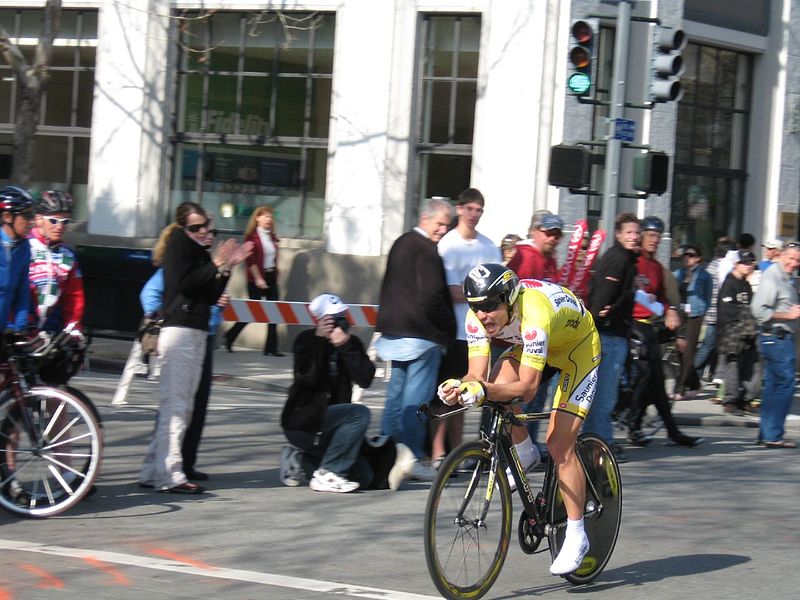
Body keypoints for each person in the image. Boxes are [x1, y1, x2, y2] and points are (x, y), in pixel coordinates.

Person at [439, 263, 600, 576]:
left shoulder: (534, 314)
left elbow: (527, 389)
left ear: (509, 300)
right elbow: (477, 374)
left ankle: (577, 533)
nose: (483, 315)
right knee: (497, 381)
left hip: (577, 350)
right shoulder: (477, 318)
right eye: (476, 307)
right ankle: (524, 452)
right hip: (535, 346)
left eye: (489, 307)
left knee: (558, 442)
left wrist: (484, 390)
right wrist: (463, 386)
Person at [139, 202, 252, 494]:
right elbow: (184, 285)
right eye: (196, 227)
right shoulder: (179, 246)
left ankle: (153, 469)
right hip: (180, 331)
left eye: (206, 227)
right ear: (182, 227)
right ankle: (169, 474)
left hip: (195, 330)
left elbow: (210, 293)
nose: (203, 232)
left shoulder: (199, 251)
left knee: (181, 406)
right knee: (176, 407)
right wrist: (216, 264)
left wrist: (228, 267)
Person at [280, 293, 410, 492]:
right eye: (334, 318)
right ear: (320, 320)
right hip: (304, 422)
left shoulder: (351, 343)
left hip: (335, 427)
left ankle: (300, 458)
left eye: (342, 316)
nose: (340, 322)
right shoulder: (306, 340)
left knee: (364, 478)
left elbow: (366, 379)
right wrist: (319, 341)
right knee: (360, 414)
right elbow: (306, 378)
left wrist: (346, 346)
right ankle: (328, 472)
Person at [375, 198, 456, 481]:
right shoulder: (427, 252)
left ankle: (386, 454)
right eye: (440, 224)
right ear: (426, 219)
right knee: (417, 403)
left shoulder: (401, 243)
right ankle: (410, 455)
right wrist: (447, 326)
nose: (443, 230)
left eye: (447, 225)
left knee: (395, 399)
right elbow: (432, 296)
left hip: (395, 332)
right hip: (423, 335)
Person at [433, 188, 501, 465]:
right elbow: (450, 290)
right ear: (459, 209)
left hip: (481, 332)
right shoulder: (448, 244)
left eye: (479, 210)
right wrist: (480, 295)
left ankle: (457, 451)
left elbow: (499, 288)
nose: (474, 215)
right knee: (445, 393)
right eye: (470, 209)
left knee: (467, 393)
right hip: (455, 330)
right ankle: (438, 452)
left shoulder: (489, 246)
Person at [628, 216, 703, 448]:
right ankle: (636, 425)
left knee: (657, 383)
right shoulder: (632, 263)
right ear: (641, 235)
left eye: (658, 237)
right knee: (644, 380)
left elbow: (662, 296)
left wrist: (669, 310)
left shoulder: (657, 268)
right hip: (631, 327)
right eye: (651, 236)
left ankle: (667, 430)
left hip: (649, 328)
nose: (655, 241)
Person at [585, 212, 641, 462]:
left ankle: (597, 443)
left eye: (636, 233)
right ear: (618, 234)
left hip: (613, 334)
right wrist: (601, 313)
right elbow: (602, 298)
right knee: (604, 396)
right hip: (608, 335)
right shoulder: (618, 260)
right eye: (629, 232)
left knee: (604, 395)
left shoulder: (626, 260)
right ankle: (598, 446)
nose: (634, 236)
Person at [750, 241, 800, 448]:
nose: (794, 263)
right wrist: (788, 315)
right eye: (791, 258)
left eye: (798, 260)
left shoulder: (787, 277)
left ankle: (767, 433)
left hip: (781, 338)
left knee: (773, 385)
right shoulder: (773, 276)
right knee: (786, 383)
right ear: (780, 256)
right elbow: (758, 310)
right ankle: (774, 434)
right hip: (776, 337)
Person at [224, 205, 283, 356]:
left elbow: (272, 257)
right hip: (256, 278)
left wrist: (276, 268)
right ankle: (230, 336)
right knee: (252, 312)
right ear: (257, 218)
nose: (269, 219)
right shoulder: (252, 238)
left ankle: (271, 348)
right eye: (265, 216)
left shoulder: (272, 237)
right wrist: (258, 278)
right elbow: (251, 261)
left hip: (270, 277)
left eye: (270, 216)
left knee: (274, 312)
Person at [27, 190, 84, 334]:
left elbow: (74, 297)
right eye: (53, 220)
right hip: (23, 329)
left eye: (65, 221)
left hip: (53, 332)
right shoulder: (24, 248)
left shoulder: (68, 255)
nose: (59, 226)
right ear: (39, 219)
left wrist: (73, 329)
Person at [717, 250, 759, 416]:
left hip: (747, 331)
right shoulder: (729, 283)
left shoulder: (746, 284)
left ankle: (746, 399)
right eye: (746, 263)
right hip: (731, 333)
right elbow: (727, 310)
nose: (749, 266)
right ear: (737, 264)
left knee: (751, 365)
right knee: (732, 367)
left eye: (751, 263)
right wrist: (746, 314)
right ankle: (731, 400)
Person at [672, 243, 712, 401]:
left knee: (688, 351)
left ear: (698, 258)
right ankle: (694, 383)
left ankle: (680, 387)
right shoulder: (678, 273)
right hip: (681, 314)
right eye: (685, 255)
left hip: (695, 315)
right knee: (679, 351)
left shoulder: (704, 275)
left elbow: (707, 297)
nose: (688, 258)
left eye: (692, 255)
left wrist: (702, 312)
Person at [0, 185, 34, 332]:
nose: (31, 221)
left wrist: (19, 329)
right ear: (7, 217)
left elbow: (22, 292)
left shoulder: (23, 248)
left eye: (32, 215)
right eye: (26, 216)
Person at [507, 211, 564, 282]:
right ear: (534, 231)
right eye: (549, 233)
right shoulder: (525, 258)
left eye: (557, 235)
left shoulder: (550, 259)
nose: (552, 238)